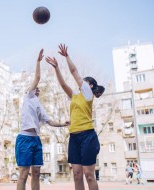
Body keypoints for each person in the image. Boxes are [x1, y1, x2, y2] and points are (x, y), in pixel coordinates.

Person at [45, 44, 105, 190]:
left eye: (85, 81)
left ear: (89, 85)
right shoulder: (75, 96)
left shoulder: (88, 94)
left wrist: (66, 56)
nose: (81, 82)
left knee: (89, 175)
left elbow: (73, 71)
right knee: (77, 174)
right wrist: (57, 68)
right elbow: (63, 84)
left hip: (88, 136)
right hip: (74, 136)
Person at [15, 49, 70, 190]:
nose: (37, 88)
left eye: (38, 88)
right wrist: (38, 62)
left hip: (36, 140)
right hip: (24, 138)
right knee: (23, 173)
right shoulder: (28, 96)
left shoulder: (39, 105)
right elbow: (37, 78)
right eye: (35, 87)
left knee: (37, 173)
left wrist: (63, 124)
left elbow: (50, 121)